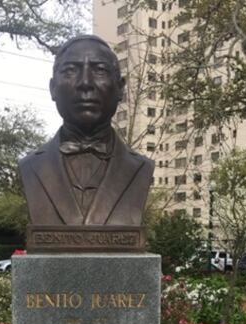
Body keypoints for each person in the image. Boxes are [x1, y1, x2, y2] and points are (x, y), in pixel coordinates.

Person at [18, 35, 154, 227]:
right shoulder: (31, 166)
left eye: (99, 70)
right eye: (71, 70)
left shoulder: (141, 168)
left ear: (120, 89)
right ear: (53, 88)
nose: (85, 83)